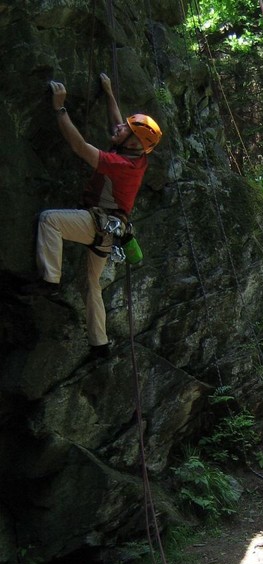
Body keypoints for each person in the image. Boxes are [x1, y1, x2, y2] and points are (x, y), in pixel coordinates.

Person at [22, 74, 162, 359]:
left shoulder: (120, 163)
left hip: (97, 223)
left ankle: (50, 279)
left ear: (134, 143)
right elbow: (116, 124)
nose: (120, 126)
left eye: (127, 129)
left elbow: (80, 147)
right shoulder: (136, 155)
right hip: (110, 231)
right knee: (91, 284)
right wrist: (109, 92)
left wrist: (60, 109)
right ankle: (100, 345)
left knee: (50, 219)